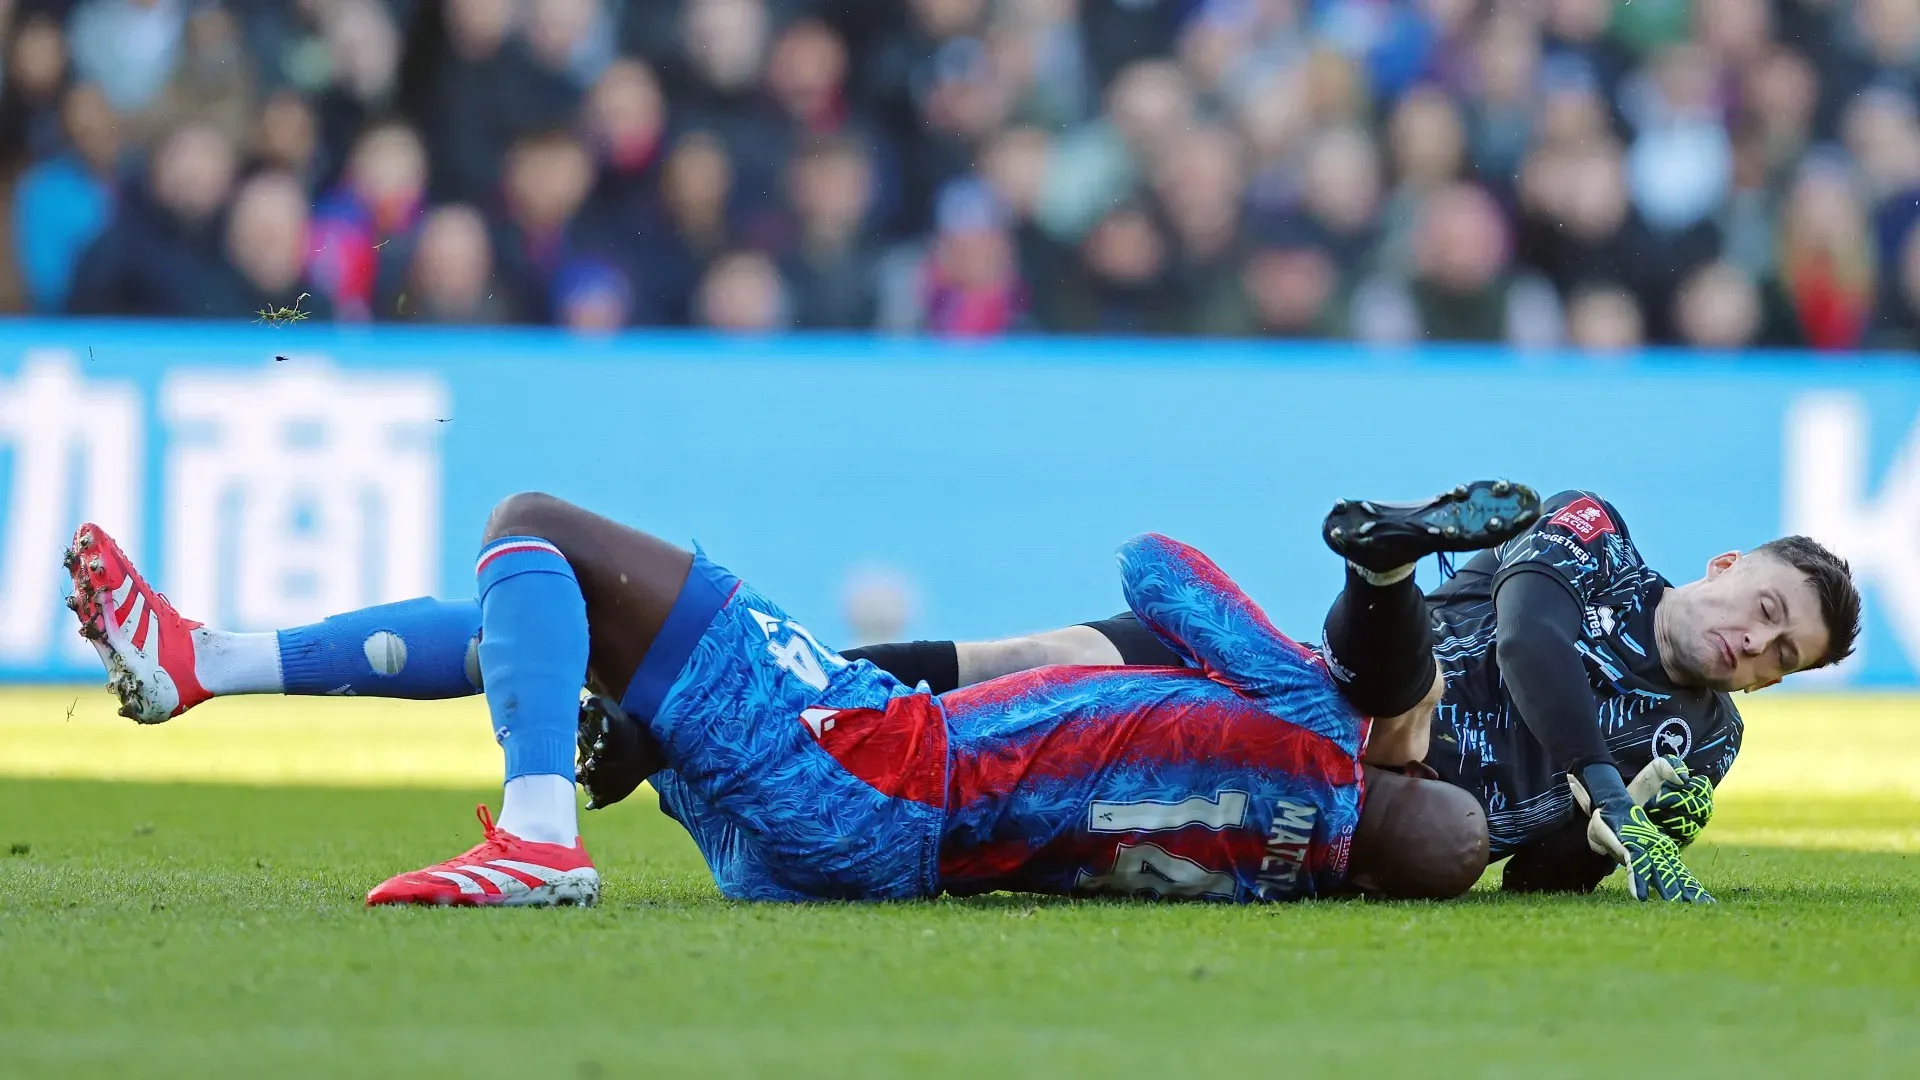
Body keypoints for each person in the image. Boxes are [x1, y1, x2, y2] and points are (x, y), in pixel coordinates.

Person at [63, 484, 1518, 907]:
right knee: (571, 620)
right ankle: (203, 661)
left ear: (1395, 776)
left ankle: (538, 836)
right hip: (861, 853)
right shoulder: (1286, 879)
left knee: (537, 528)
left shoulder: (1319, 734)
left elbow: (1161, 561)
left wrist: (1374, 678)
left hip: (884, 770)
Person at [719, 488, 1858, 896]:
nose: (1750, 646)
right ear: (1727, 566)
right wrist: (1606, 783)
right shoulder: (1596, 534)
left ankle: (1382, 565)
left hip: (1389, 799)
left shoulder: (1704, 747)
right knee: (1024, 662)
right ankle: (788, 679)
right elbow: (1526, 642)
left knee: (1402, 751)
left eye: (1779, 655)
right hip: (1333, 697)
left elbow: (1540, 878)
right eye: (1764, 607)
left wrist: (1606, 844)